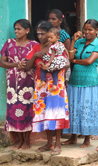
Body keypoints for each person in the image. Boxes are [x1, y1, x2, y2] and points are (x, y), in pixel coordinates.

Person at [25, 21, 70, 156]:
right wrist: (35, 56)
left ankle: (57, 144)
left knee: (55, 113)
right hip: (41, 84)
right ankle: (49, 142)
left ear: (51, 35)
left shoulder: (59, 46)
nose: (40, 36)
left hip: (56, 85)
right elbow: (28, 67)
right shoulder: (36, 47)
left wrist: (51, 66)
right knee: (44, 113)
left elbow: (67, 63)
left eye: (43, 34)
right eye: (38, 33)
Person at [62, 19, 98, 148]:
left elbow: (89, 61)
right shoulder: (79, 42)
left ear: (96, 31)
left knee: (87, 110)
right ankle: (73, 137)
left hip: (89, 82)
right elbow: (69, 58)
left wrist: (74, 60)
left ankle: (87, 140)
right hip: (75, 80)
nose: (87, 32)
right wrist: (73, 41)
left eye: (90, 29)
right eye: (85, 29)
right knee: (74, 108)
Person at [0, 19, 38, 150]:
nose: (16, 31)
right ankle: (18, 140)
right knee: (13, 111)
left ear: (27, 30)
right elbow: (2, 63)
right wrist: (16, 64)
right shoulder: (9, 44)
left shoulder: (34, 45)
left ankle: (27, 140)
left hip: (28, 84)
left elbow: (35, 63)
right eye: (15, 29)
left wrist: (26, 65)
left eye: (19, 29)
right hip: (12, 85)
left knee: (27, 110)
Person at [38, 27, 69, 92]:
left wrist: (48, 63)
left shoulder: (53, 46)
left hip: (54, 61)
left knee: (43, 70)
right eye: (48, 37)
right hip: (60, 62)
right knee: (55, 73)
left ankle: (43, 80)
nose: (49, 39)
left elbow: (52, 55)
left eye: (51, 38)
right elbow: (66, 51)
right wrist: (67, 58)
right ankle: (55, 85)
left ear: (57, 37)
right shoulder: (61, 44)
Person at [47, 9, 72, 84]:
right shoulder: (48, 33)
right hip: (50, 66)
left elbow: (66, 55)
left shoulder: (64, 35)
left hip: (61, 67)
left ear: (60, 20)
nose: (50, 21)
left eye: (53, 19)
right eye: (49, 18)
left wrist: (64, 71)